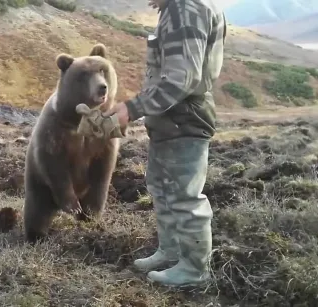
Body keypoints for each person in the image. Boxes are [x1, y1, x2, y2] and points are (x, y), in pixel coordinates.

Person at [80, 0, 227, 287]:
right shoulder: (177, 7)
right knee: (161, 187)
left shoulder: (185, 7)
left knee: (184, 195)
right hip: (169, 118)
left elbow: (181, 79)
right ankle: (171, 251)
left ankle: (195, 269)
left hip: (184, 118)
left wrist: (129, 109)